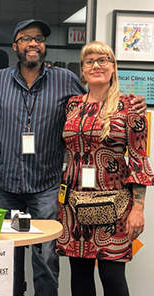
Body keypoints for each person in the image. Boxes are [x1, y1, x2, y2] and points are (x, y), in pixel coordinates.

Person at [0, 20, 146, 296]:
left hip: (51, 188)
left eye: (39, 38)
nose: (33, 43)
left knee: (48, 260)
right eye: (26, 38)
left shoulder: (66, 81)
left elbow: (103, 105)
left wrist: (135, 101)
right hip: (9, 186)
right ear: (15, 46)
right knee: (6, 258)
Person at [56, 41, 153, 296]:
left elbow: (139, 160)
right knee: (79, 276)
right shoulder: (73, 105)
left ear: (113, 67)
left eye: (103, 60)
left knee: (112, 276)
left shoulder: (131, 107)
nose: (96, 65)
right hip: (73, 205)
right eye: (89, 61)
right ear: (82, 70)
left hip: (114, 207)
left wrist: (139, 209)